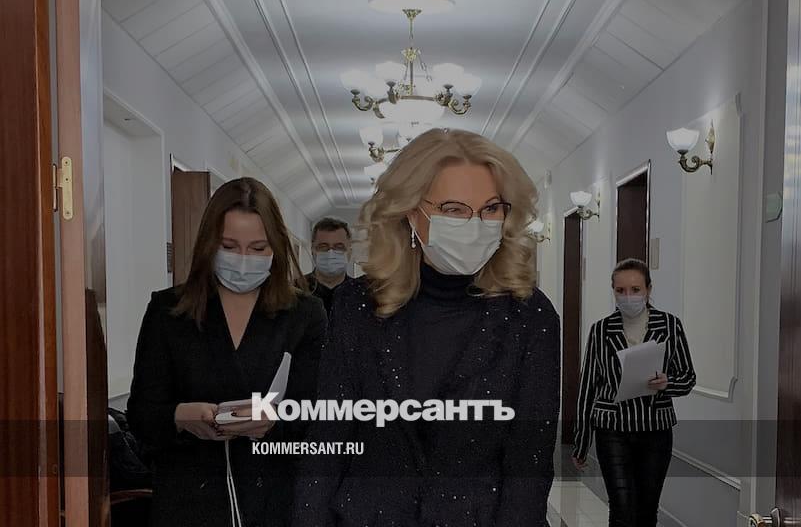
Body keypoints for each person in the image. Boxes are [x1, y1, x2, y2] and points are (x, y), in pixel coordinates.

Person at [292, 128, 561, 526]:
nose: (475, 224)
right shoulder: (356, 306)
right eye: (454, 209)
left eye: (491, 208)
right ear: (411, 211)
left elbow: (529, 461)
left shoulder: (531, 316)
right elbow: (330, 434)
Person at [127, 177, 327, 527]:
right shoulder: (168, 311)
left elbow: (320, 415)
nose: (243, 260)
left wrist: (275, 421)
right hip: (189, 499)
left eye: (258, 248)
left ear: (276, 248)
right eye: (230, 246)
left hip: (274, 497)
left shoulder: (305, 314)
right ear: (209, 244)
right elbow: (141, 415)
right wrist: (179, 416)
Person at [572, 258, 696, 527]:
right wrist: (581, 441)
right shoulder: (601, 330)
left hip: (655, 430)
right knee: (622, 509)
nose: (628, 296)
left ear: (648, 290)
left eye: (635, 289)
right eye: (621, 290)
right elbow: (588, 387)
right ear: (614, 291)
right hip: (612, 430)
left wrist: (667, 383)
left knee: (646, 510)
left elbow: (688, 377)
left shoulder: (670, 326)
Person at [304, 217, 358, 315]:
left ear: (349, 252)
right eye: (323, 246)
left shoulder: (360, 293)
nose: (331, 253)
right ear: (312, 250)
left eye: (339, 247)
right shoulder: (294, 291)